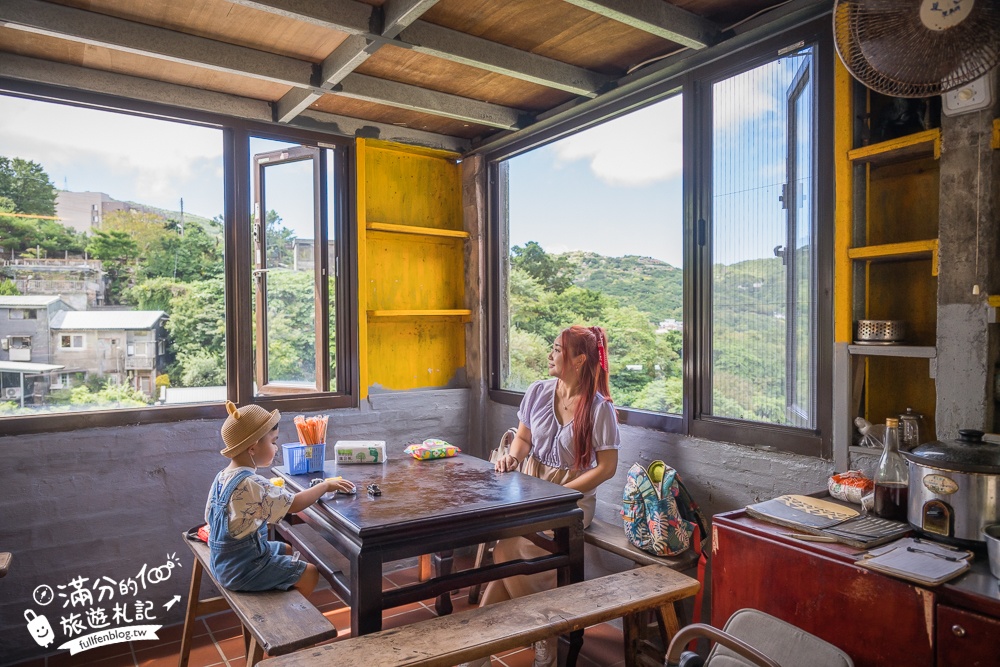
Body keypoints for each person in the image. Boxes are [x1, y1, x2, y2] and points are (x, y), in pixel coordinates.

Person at [468, 325, 621, 667]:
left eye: (557, 350)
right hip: (531, 488)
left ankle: (496, 647)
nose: (549, 355)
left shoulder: (599, 409)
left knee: (506, 550)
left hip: (573, 498)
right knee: (507, 553)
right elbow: (522, 440)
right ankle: (488, 649)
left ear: (579, 359)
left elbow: (607, 468)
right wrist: (513, 457)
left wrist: (561, 495)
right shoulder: (538, 391)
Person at [205, 401, 354, 595]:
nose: (276, 448)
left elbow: (211, 517)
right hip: (242, 570)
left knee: (286, 549)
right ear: (252, 448)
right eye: (273, 442)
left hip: (223, 562)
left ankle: (283, 590)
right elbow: (294, 504)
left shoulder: (222, 476)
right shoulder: (252, 483)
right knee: (310, 573)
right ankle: (295, 617)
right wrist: (325, 485)